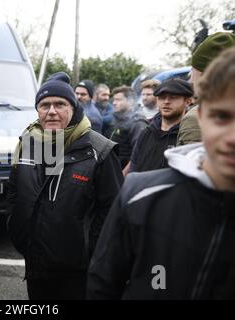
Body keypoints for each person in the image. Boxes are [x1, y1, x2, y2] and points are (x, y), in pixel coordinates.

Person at [87, 46, 235, 299]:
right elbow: (103, 285)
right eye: (221, 116)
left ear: (188, 103)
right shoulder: (139, 196)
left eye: (173, 97)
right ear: (200, 117)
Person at [7, 72, 123, 300]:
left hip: (78, 274)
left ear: (74, 108)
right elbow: (15, 190)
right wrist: (17, 229)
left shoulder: (100, 151)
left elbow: (113, 209)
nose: (51, 111)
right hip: (36, 265)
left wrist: (90, 252)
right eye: (44, 105)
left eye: (60, 104)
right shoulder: (28, 143)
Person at [177, 31, 235, 146]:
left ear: (205, 77)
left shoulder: (196, 118)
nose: (190, 81)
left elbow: (195, 163)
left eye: (193, 73)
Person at [130, 79, 193, 173]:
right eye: (162, 97)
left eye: (173, 97)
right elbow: (134, 165)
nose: (166, 101)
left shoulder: (189, 134)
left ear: (187, 102)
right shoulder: (147, 132)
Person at [105, 86, 148, 169]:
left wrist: (124, 174)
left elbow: (138, 154)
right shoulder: (118, 119)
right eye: (114, 100)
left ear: (130, 102)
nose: (114, 103)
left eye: (118, 100)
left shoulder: (137, 124)